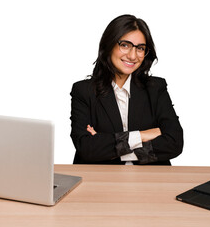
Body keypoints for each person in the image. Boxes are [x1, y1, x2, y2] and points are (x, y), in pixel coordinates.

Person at [70, 14, 183, 165]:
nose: (132, 55)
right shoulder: (84, 91)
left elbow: (174, 142)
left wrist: (111, 146)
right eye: (125, 45)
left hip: (150, 179)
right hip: (101, 180)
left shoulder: (156, 88)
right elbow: (87, 148)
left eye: (140, 48)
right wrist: (142, 136)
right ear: (108, 45)